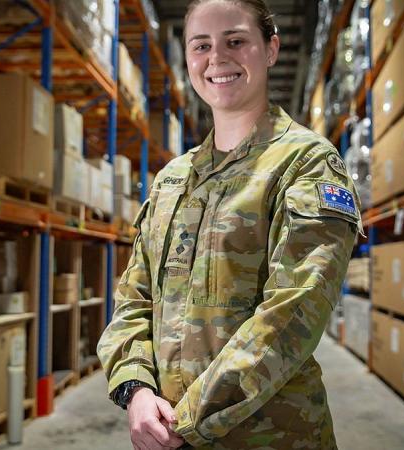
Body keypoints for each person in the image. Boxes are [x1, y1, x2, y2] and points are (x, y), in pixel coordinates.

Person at [97, 1, 362, 449]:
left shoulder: (307, 163)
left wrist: (186, 421)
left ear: (271, 49)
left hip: (271, 438)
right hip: (166, 433)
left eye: (235, 41)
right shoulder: (172, 179)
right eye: (201, 46)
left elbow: (293, 314)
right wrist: (136, 389)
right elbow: (134, 297)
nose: (217, 58)